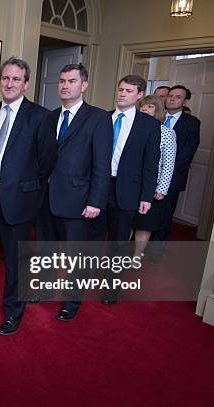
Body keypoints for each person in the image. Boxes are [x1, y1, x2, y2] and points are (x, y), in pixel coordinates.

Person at [0, 57, 57, 335]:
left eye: (16, 79)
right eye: (5, 78)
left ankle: (13, 311)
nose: (9, 84)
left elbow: (47, 161)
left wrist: (23, 184)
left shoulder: (41, 116)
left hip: (18, 197)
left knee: (16, 259)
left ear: (26, 84)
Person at [35, 63, 112, 321]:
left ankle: (71, 302)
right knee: (44, 248)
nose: (65, 85)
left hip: (79, 200)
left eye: (71, 81)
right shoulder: (50, 116)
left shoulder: (99, 118)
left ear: (84, 86)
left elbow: (102, 164)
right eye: (62, 81)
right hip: (46, 197)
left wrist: (95, 201)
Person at [90, 75, 160, 303]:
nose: (122, 94)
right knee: (93, 237)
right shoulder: (103, 118)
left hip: (127, 191)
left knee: (119, 242)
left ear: (139, 95)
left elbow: (151, 163)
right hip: (99, 187)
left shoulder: (148, 125)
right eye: (120, 89)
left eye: (128, 91)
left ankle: (111, 289)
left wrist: (146, 196)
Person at [151, 85, 200, 242]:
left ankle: (155, 253)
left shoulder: (192, 123)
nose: (172, 98)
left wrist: (165, 171)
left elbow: (187, 153)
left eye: (178, 97)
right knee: (143, 213)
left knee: (164, 216)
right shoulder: (155, 117)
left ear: (185, 101)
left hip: (173, 177)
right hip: (148, 174)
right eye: (170, 95)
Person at [132, 95, 177, 251]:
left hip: (152, 186)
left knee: (144, 224)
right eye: (142, 106)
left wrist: (161, 188)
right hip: (131, 183)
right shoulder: (131, 128)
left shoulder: (167, 133)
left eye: (150, 106)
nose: (144, 109)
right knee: (125, 222)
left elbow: (168, 164)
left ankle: (136, 257)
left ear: (158, 110)